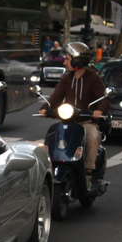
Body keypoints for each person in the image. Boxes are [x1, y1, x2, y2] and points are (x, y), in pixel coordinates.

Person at [38, 42, 110, 189]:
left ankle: (88, 173)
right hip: (68, 121)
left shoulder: (93, 77)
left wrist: (99, 111)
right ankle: (51, 164)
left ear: (77, 60)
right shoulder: (66, 78)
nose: (64, 62)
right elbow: (56, 97)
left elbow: (104, 98)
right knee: (53, 133)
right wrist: (45, 108)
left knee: (91, 136)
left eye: (67, 59)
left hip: (86, 121)